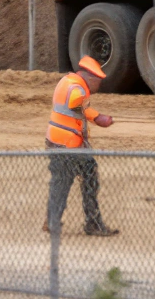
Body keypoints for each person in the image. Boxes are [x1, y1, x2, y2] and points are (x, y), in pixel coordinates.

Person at [44, 55, 118, 237]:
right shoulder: (77, 88)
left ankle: (56, 221)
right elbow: (75, 103)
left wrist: (95, 117)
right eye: (98, 82)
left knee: (76, 177)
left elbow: (76, 108)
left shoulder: (67, 81)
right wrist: (98, 117)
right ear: (90, 77)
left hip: (60, 142)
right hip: (68, 145)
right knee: (65, 182)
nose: (99, 86)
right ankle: (87, 223)